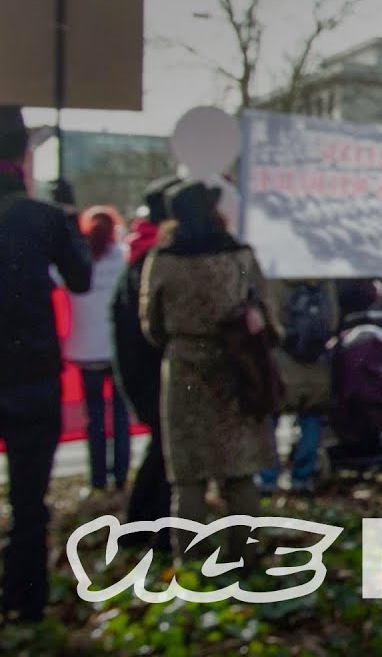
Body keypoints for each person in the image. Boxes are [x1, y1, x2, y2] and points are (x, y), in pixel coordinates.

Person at [140, 180, 278, 559]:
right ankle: (245, 555)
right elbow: (268, 315)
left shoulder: (163, 260)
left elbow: (150, 325)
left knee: (188, 474)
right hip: (238, 366)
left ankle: (191, 562)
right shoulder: (241, 256)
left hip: (184, 368)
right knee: (240, 470)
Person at [0, 105, 92, 622]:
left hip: (29, 373)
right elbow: (79, 278)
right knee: (30, 502)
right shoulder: (42, 218)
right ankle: (25, 604)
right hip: (31, 376)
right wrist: (68, 217)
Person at [113, 177, 183, 546]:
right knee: (163, 452)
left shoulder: (143, 254)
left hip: (141, 369)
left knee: (161, 450)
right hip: (153, 372)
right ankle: (142, 531)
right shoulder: (154, 260)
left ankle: (144, 529)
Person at [65, 205, 132, 491]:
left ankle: (97, 479)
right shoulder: (122, 257)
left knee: (93, 417)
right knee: (120, 416)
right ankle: (120, 476)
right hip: (116, 349)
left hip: (85, 349)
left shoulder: (78, 259)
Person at [257, 278, 339, 495]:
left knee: (271, 419)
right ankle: (302, 477)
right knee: (311, 419)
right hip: (316, 366)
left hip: (281, 365)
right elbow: (332, 321)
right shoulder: (323, 281)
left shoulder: (276, 279)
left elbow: (271, 322)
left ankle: (268, 478)